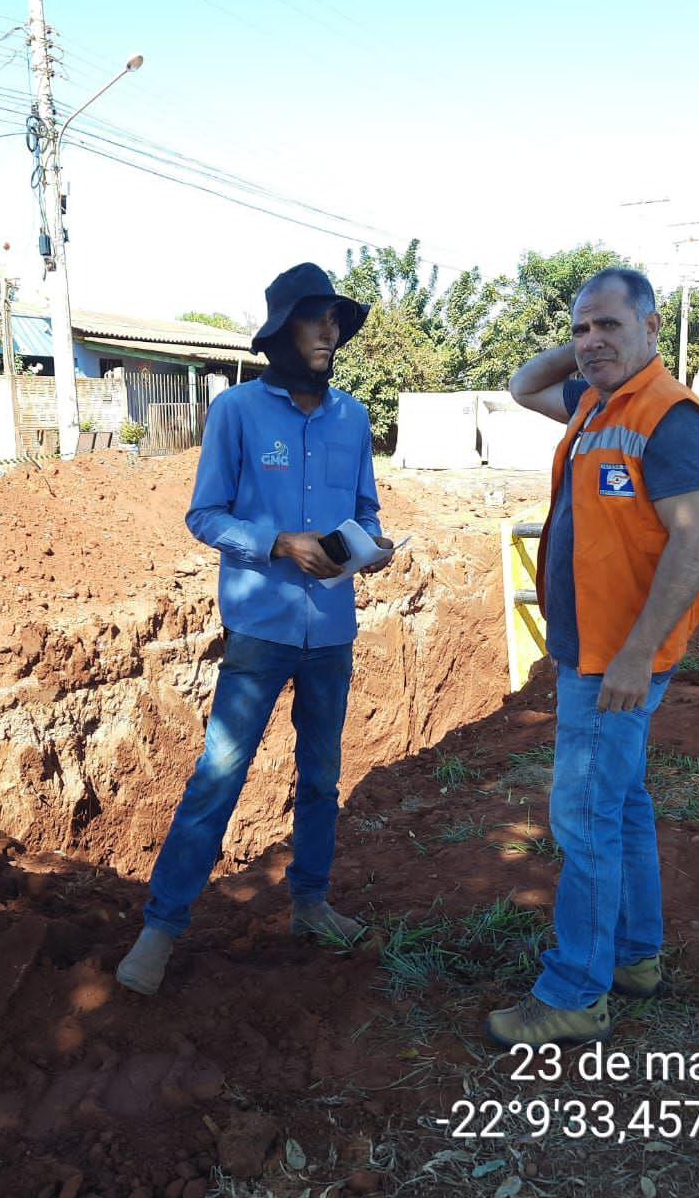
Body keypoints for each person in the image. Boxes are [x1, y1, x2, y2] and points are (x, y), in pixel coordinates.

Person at [115, 262, 396, 996]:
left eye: (336, 319)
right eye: (315, 317)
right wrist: (277, 542)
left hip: (332, 630)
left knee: (322, 777)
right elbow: (204, 514)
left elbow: (364, 510)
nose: (329, 331)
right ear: (280, 331)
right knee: (219, 776)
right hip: (261, 628)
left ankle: (310, 904)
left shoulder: (354, 418)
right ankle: (160, 929)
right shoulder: (237, 412)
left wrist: (369, 548)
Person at [492, 267, 699, 1047]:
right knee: (620, 809)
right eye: (580, 328)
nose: (590, 342)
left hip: (614, 659)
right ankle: (633, 956)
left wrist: (634, 655)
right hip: (592, 648)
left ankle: (574, 994)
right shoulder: (595, 403)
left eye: (611, 327)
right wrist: (590, 349)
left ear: (655, 329)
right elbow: (524, 383)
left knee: (583, 817)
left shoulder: (671, 419)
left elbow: (694, 538)